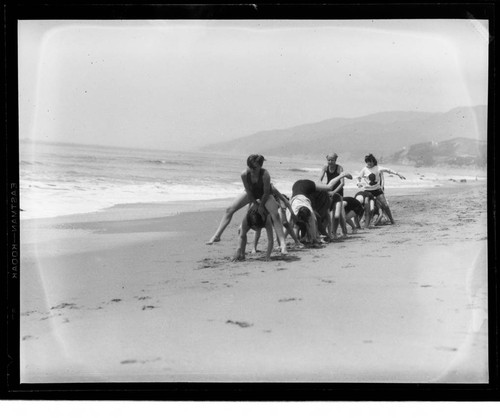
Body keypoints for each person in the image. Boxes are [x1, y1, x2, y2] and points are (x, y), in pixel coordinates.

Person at [206, 154, 288, 255]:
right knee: (229, 209)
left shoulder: (265, 174)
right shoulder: (244, 174)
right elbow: (249, 191)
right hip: (252, 193)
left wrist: (261, 205)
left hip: (264, 195)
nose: (252, 169)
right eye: (250, 166)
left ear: (260, 166)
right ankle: (217, 235)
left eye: (254, 167)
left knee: (275, 214)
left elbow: (266, 193)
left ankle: (283, 244)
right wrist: (255, 204)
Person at [287, 172, 353, 244]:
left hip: (295, 196)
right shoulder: (312, 191)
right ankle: (304, 238)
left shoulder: (308, 190)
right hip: (301, 197)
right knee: (312, 219)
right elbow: (329, 187)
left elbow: (288, 224)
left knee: (302, 220)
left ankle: (300, 238)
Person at [252, 184, 303, 253]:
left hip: (272, 211)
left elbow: (285, 203)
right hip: (264, 210)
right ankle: (254, 248)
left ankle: (282, 246)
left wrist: (292, 214)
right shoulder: (263, 192)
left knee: (278, 228)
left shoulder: (273, 192)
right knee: (259, 228)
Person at [356, 154, 405, 225]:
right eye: (367, 162)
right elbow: (358, 177)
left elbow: (389, 170)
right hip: (367, 191)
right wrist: (358, 183)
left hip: (377, 190)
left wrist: (398, 174)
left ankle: (392, 220)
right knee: (365, 206)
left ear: (373, 161)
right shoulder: (364, 169)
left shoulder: (378, 168)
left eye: (370, 161)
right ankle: (361, 222)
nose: (368, 163)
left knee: (385, 205)